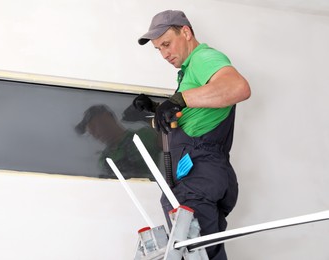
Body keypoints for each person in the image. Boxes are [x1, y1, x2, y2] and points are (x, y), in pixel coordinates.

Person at [133, 10, 251, 260]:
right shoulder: (188, 73)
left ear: (185, 32)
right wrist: (158, 108)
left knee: (195, 252)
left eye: (166, 44)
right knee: (204, 254)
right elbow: (194, 117)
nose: (164, 54)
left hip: (200, 175)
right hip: (199, 175)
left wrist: (180, 99)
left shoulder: (203, 58)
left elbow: (237, 87)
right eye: (158, 49)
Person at [75, 104, 161, 180]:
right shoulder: (104, 158)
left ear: (107, 117)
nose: (94, 134)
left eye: (93, 127)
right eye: (90, 132)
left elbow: (168, 142)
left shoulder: (142, 136)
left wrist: (149, 119)